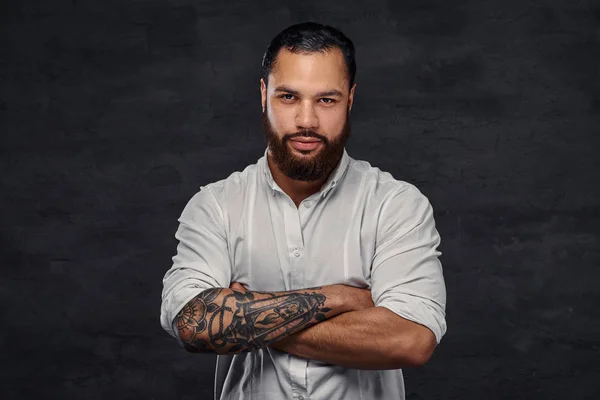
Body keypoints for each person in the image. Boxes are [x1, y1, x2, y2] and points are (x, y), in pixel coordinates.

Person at [160, 21, 447, 400]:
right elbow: (192, 322)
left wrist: (248, 316)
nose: (307, 121)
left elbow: (410, 340)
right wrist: (341, 299)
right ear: (264, 94)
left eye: (326, 99)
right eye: (289, 97)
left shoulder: (396, 205)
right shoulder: (216, 206)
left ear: (350, 98)